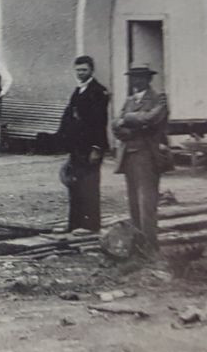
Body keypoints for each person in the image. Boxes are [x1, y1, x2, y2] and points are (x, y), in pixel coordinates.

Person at [113, 64, 170, 256]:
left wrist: (128, 119)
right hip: (128, 154)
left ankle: (150, 246)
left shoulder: (158, 99)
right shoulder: (129, 100)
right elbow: (115, 126)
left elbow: (152, 119)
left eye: (138, 77)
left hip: (147, 154)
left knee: (147, 203)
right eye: (132, 76)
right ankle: (137, 244)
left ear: (147, 79)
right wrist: (130, 127)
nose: (134, 80)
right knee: (134, 203)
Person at [57, 55, 112, 233]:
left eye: (84, 70)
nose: (81, 73)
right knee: (75, 184)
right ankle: (75, 223)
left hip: (90, 147)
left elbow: (99, 122)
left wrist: (97, 147)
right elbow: (68, 116)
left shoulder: (99, 92)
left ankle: (91, 225)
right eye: (78, 70)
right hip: (77, 147)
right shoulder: (77, 91)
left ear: (91, 71)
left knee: (89, 186)